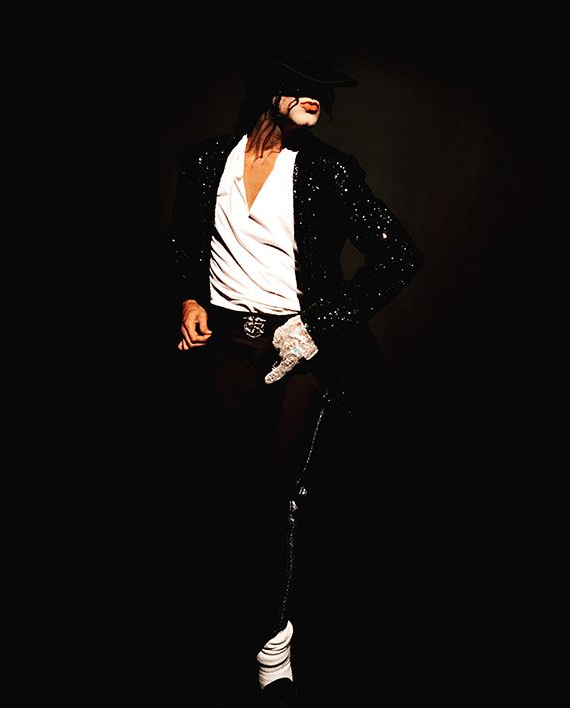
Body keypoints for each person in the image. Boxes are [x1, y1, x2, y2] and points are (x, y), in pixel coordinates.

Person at [163, 52, 424, 707]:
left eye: (326, 93)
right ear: (270, 88)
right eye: (306, 87)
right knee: (220, 489)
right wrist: (190, 300)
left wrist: (318, 325)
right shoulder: (207, 161)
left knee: (275, 495)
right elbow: (186, 243)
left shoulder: (329, 171)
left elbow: (399, 255)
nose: (320, 100)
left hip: (300, 350)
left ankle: (273, 643)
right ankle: (218, 626)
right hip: (227, 347)